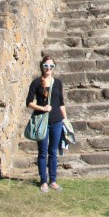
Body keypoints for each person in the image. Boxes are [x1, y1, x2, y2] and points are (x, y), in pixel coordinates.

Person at [26, 56, 67, 192]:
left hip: (56, 121)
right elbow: (29, 102)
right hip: (41, 121)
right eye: (46, 66)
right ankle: (43, 181)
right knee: (43, 152)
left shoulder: (58, 83)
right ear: (42, 67)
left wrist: (65, 119)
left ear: (54, 68)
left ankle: (53, 180)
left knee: (53, 152)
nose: (48, 69)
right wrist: (43, 108)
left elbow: (61, 102)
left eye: (51, 66)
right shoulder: (36, 82)